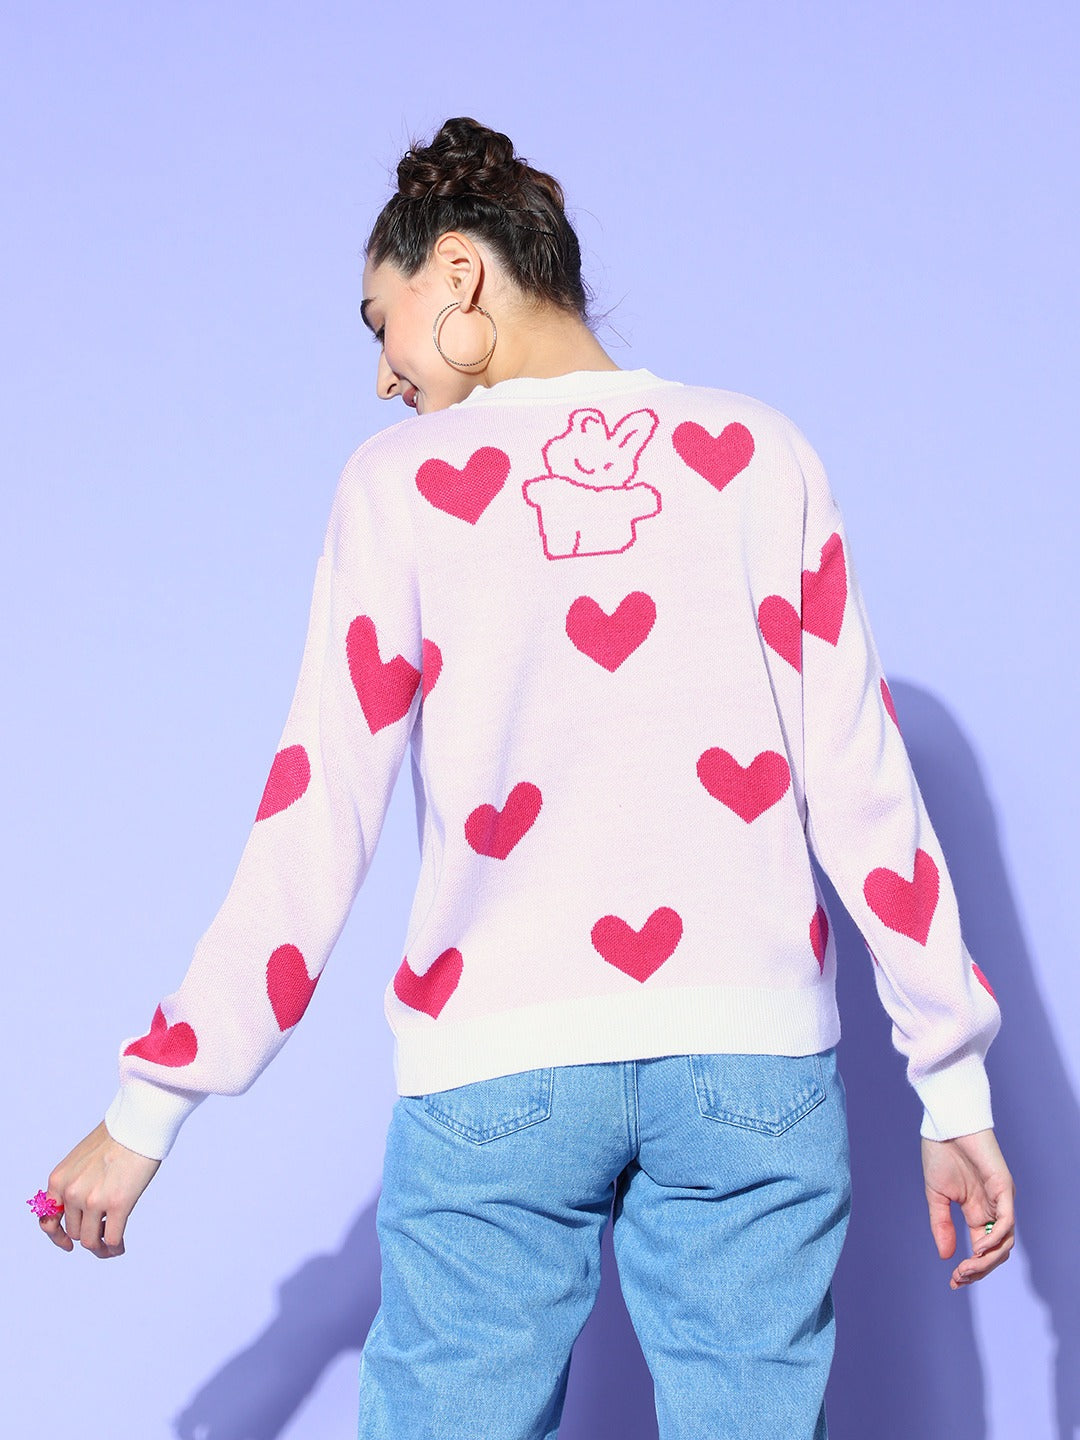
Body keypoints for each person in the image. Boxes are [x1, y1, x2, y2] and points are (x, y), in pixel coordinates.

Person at [37, 116, 1015, 1439]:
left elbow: (318, 810)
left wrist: (151, 1105)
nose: (381, 374)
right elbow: (865, 788)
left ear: (457, 272)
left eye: (380, 323)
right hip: (753, 1064)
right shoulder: (756, 453)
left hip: (497, 1060)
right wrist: (951, 1083)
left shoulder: (400, 487)